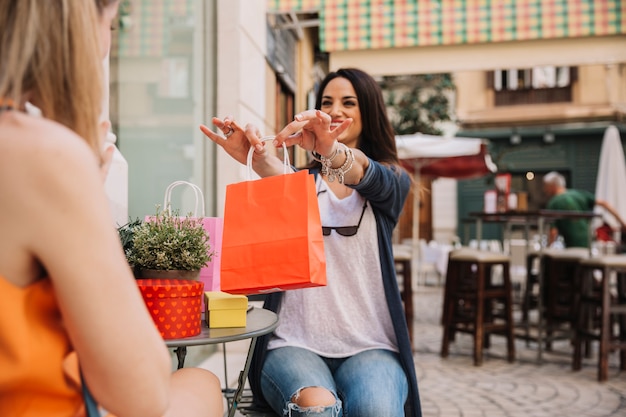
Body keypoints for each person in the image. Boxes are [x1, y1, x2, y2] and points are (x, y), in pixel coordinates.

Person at [0, 1, 223, 416]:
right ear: (79, 24)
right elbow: (143, 394)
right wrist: (86, 191)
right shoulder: (43, 155)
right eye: (113, 23)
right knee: (202, 385)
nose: (107, 43)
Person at [201, 68, 421, 416]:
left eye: (349, 102)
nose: (335, 110)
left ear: (369, 112)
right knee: (316, 408)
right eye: (326, 102)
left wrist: (331, 150)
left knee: (377, 409)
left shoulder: (392, 181)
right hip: (293, 344)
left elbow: (365, 174)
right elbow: (272, 169)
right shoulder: (302, 184)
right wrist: (253, 154)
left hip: (372, 347)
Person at [542, 171, 624, 248]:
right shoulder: (579, 194)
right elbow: (604, 203)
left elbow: (553, 232)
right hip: (589, 240)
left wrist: (548, 248)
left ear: (552, 186)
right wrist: (622, 223)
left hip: (572, 244)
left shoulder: (553, 203)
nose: (544, 189)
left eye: (545, 186)